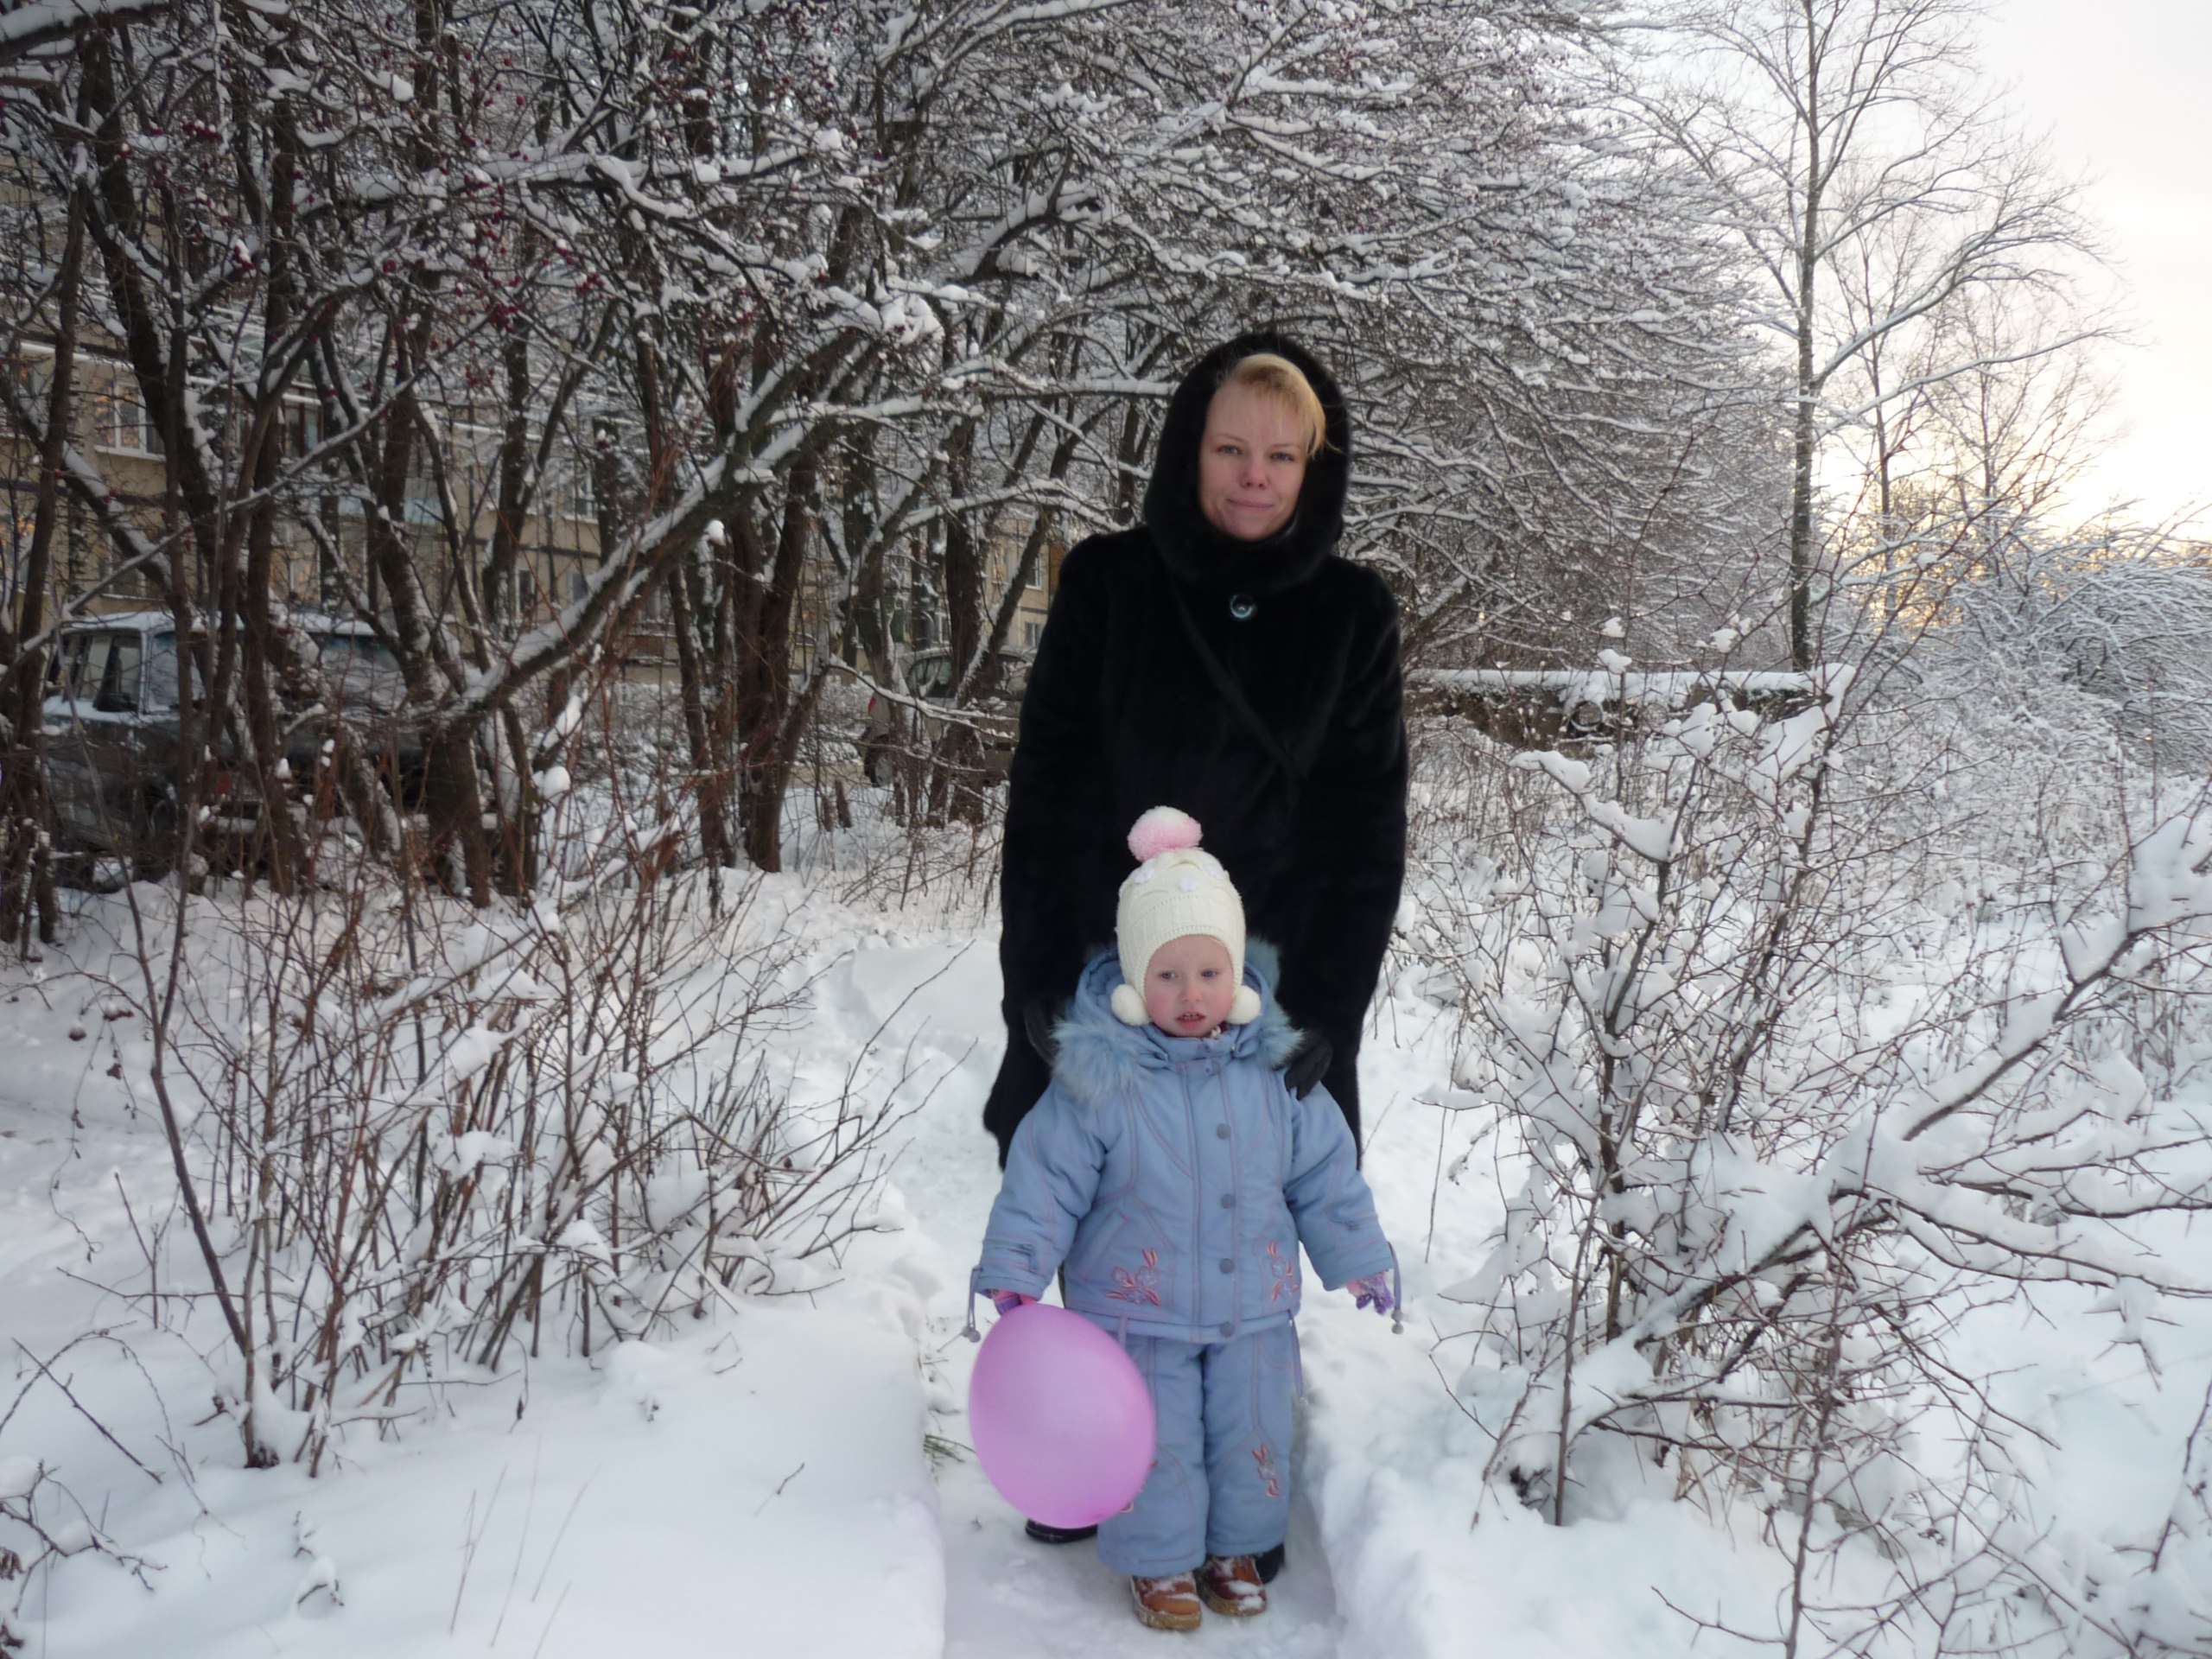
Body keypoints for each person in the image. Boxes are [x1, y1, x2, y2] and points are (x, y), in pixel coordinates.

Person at [986, 331, 1408, 1175]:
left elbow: (1362, 840)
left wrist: (1324, 1014)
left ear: (1313, 469)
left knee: (1244, 1243)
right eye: (1230, 449)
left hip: (1267, 1023)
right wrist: (1041, 983)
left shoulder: (1352, 615)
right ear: (1191, 451)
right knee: (1091, 1232)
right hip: (1106, 1009)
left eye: (1282, 456)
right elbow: (1048, 799)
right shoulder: (1109, 585)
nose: (1255, 475)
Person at [972, 808, 1399, 1632]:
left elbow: (1325, 1176)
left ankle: (1236, 1550)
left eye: (1209, 972)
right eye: (1168, 975)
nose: (1192, 994)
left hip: (1252, 1310)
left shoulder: (1278, 1076)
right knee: (1155, 1439)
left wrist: (1358, 1257)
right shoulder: (1099, 1081)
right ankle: (1159, 1560)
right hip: (1137, 1313)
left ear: (1237, 974)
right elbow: (1044, 1179)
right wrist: (1017, 1270)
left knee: (1250, 1434)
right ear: (1135, 984)